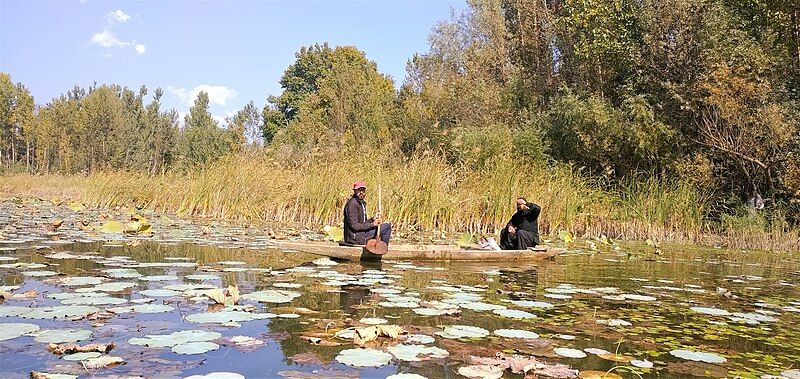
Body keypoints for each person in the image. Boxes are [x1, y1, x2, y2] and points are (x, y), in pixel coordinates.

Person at [343, 181, 391, 246]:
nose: (361, 192)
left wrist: (372, 219)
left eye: (363, 190)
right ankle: (383, 249)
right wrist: (373, 224)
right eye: (359, 190)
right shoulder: (352, 204)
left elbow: (363, 223)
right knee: (386, 227)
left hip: (361, 234)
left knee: (386, 225)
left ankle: (380, 248)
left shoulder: (361, 203)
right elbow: (355, 226)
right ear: (355, 191)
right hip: (356, 238)